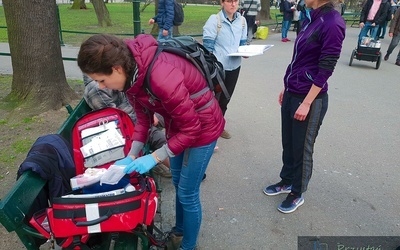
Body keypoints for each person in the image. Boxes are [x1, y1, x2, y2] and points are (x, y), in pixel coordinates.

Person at [77, 33, 225, 250]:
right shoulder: (132, 76)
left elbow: (192, 128)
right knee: (177, 182)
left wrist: (155, 157)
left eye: (101, 80)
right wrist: (132, 155)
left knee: (187, 192)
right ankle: (179, 231)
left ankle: (188, 246)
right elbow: (143, 120)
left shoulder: (160, 77)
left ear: (117, 68)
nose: (100, 87)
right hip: (179, 125)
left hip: (203, 128)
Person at [263, 0, 345, 214]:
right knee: (289, 142)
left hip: (310, 98)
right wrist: (287, 86)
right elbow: (299, 58)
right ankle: (287, 181)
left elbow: (326, 67)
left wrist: (307, 102)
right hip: (293, 91)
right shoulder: (311, 17)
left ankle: (297, 192)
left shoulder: (332, 22)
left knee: (302, 148)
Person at [83, 77, 172, 178]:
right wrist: (146, 119)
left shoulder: (110, 78)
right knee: (160, 138)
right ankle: (179, 172)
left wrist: (150, 115)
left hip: (138, 118)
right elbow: (116, 120)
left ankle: (178, 165)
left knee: (171, 118)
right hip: (127, 128)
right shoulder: (96, 89)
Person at [203, 0, 247, 139]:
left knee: (225, 99)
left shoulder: (242, 21)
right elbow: (207, 49)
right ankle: (208, 129)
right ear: (222, 3)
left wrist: (245, 52)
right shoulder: (214, 20)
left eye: (236, 1)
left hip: (234, 67)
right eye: (229, 1)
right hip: (218, 68)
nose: (233, 4)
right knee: (214, 99)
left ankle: (219, 126)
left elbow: (242, 44)